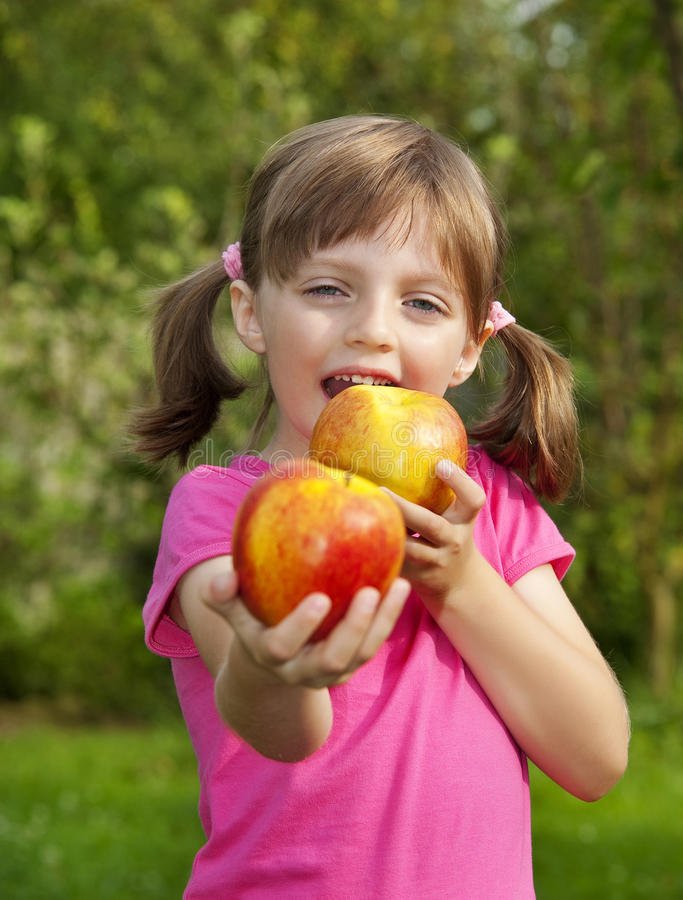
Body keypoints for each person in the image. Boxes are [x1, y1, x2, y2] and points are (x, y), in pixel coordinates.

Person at [133, 115, 630, 899]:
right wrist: (271, 668)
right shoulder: (225, 512)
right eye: (328, 289)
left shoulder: (485, 508)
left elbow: (595, 756)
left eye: (422, 304)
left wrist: (462, 584)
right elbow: (282, 731)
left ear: (470, 345)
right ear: (252, 311)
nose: (370, 330)